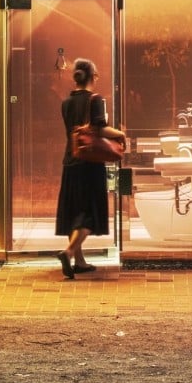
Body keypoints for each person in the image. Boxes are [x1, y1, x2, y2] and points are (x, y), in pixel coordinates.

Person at [55, 58, 126, 279]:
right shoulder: (96, 100)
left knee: (75, 210)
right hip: (89, 163)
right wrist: (121, 134)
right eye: (96, 74)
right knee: (88, 214)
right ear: (92, 76)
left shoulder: (66, 103)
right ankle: (68, 252)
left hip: (70, 161)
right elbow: (100, 130)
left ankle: (80, 261)